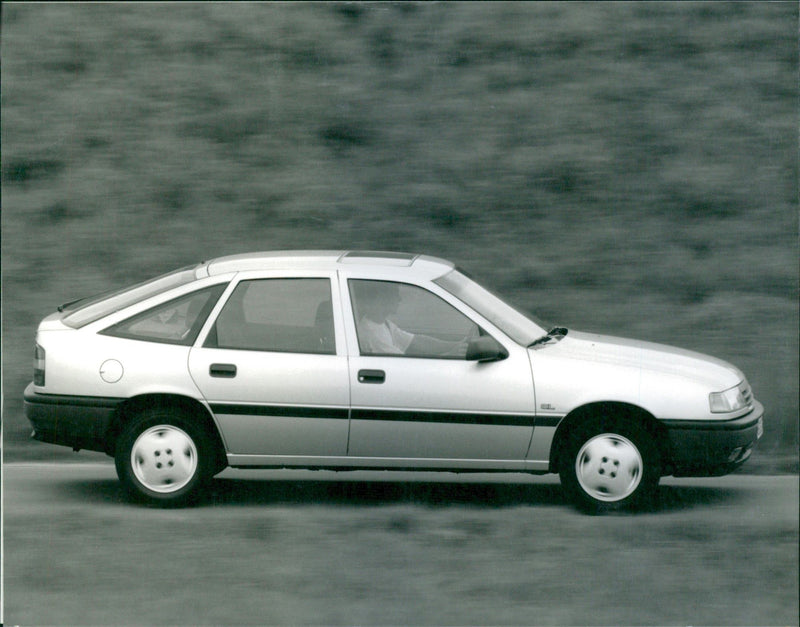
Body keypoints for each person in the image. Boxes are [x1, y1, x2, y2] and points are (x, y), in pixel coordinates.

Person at [354, 282, 470, 357]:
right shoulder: (371, 335)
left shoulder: (383, 323)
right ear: (381, 299)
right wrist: (451, 354)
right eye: (395, 294)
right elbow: (404, 366)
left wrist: (457, 344)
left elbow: (417, 342)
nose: (399, 299)